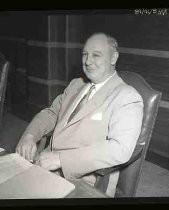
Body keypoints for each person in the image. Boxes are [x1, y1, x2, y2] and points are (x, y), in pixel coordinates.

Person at [16, 32, 144, 196]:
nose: (88, 61)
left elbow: (120, 149)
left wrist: (61, 159)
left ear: (113, 58)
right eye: (85, 54)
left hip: (83, 179)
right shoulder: (76, 84)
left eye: (96, 55)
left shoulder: (127, 96)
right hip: (44, 163)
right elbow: (52, 113)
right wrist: (29, 135)